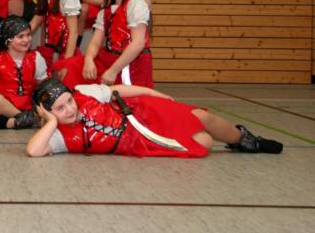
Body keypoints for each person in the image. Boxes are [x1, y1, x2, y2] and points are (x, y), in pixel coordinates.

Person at [26, 78, 283, 158]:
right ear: (46, 111)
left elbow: (119, 91)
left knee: (199, 116)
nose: (70, 109)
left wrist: (152, 93)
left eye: (69, 101)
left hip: (141, 113)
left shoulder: (84, 92)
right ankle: (234, 140)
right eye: (60, 108)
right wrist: (51, 122)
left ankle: (246, 140)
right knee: (203, 143)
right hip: (140, 141)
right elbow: (33, 151)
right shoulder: (58, 136)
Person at [79, 0, 153, 87]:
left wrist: (113, 71)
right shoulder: (105, 11)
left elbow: (138, 43)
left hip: (132, 64)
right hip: (110, 60)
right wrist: (89, 60)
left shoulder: (136, 4)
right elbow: (95, 43)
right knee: (72, 67)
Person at [30, 0, 82, 80]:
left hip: (65, 53)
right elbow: (33, 24)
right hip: (48, 52)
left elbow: (73, 32)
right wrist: (12, 38)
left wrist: (66, 63)